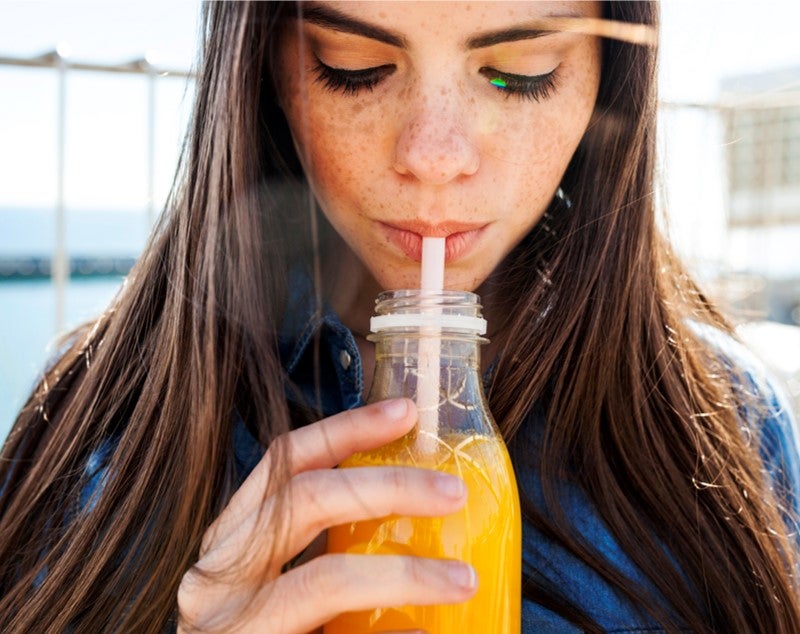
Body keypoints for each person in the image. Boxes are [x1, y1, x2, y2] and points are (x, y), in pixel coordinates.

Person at [1, 2, 798, 632]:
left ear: (606, 77)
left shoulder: (729, 425)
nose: (436, 154)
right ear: (265, 65)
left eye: (520, 72)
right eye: (355, 68)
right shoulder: (93, 434)